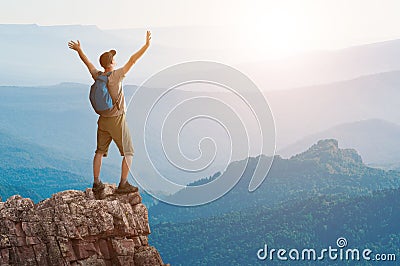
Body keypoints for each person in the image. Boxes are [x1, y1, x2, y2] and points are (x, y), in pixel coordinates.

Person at [68, 30, 151, 193]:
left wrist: (79, 50)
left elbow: (88, 63)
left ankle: (97, 183)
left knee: (99, 151)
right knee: (129, 152)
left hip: (102, 120)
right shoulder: (117, 75)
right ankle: (123, 184)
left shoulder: (98, 75)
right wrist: (146, 45)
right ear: (112, 62)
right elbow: (133, 60)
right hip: (117, 119)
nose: (115, 59)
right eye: (114, 58)